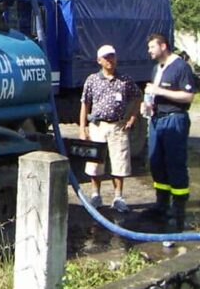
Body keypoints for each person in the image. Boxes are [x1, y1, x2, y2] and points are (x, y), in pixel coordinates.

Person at [142, 33, 196, 232]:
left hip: (174, 119)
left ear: (163, 46)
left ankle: (178, 212)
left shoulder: (180, 67)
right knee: (156, 162)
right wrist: (147, 105)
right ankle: (161, 205)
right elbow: (153, 93)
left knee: (175, 163)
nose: (149, 51)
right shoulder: (158, 67)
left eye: (152, 47)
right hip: (157, 119)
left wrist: (160, 91)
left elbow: (188, 96)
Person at [79, 44, 141, 212]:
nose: (110, 60)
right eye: (106, 58)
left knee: (119, 162)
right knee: (95, 163)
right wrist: (83, 128)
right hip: (98, 126)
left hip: (117, 126)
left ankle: (118, 197)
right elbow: (85, 104)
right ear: (99, 61)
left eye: (112, 56)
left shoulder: (125, 80)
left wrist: (132, 118)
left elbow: (138, 97)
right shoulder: (92, 80)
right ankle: (95, 195)